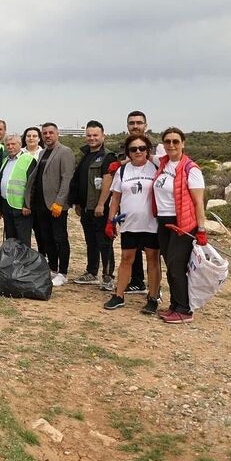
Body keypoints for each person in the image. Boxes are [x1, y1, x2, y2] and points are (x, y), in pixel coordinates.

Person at [152, 127, 207, 324]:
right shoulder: (163, 164)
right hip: (164, 221)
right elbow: (139, 158)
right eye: (167, 141)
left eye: (176, 141)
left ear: (183, 143)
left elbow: (199, 202)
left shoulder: (191, 169)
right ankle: (175, 305)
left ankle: (185, 309)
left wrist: (201, 230)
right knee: (171, 265)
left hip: (182, 223)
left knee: (176, 266)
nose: (171, 145)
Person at [103, 134, 161, 313]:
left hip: (151, 223)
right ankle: (119, 295)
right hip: (129, 223)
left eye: (142, 148)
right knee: (126, 259)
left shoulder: (156, 167)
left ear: (148, 150)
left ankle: (152, 297)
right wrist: (110, 220)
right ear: (128, 152)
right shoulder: (123, 171)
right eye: (133, 149)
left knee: (152, 260)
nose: (138, 152)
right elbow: (115, 198)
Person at [119, 111, 166, 295]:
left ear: (145, 125)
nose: (135, 126)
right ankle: (136, 281)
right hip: (130, 211)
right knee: (130, 252)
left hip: (154, 212)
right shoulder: (124, 145)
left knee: (153, 255)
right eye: (132, 123)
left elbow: (167, 165)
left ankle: (155, 290)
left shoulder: (157, 146)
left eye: (139, 122)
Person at [25, 123, 76, 286]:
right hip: (41, 204)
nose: (47, 136)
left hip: (56, 205)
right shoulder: (43, 153)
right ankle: (52, 269)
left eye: (50, 133)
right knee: (47, 238)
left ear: (57, 134)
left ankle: (63, 272)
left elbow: (67, 178)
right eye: (45, 133)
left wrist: (59, 202)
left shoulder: (65, 152)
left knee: (60, 238)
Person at [69, 120, 117, 288]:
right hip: (86, 207)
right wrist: (77, 203)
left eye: (95, 135)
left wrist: (101, 204)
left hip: (99, 208)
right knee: (91, 241)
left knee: (104, 242)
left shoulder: (108, 156)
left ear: (103, 136)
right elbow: (79, 181)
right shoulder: (85, 155)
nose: (92, 138)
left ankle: (108, 276)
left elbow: (107, 181)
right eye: (89, 135)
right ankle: (91, 272)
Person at [0, 134, 36, 247]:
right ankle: (11, 262)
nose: (10, 147)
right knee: (10, 239)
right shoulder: (6, 160)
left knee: (22, 239)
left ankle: (24, 263)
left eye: (13, 144)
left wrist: (28, 204)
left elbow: (33, 185)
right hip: (6, 205)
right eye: (8, 145)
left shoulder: (28, 160)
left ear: (20, 145)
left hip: (21, 207)